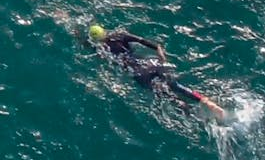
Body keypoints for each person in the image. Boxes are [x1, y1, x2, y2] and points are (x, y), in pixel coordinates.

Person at [86, 24, 228, 120]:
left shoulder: (100, 48)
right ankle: (205, 101)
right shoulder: (121, 35)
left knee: (168, 96)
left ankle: (195, 115)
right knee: (176, 85)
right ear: (104, 31)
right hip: (152, 63)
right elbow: (151, 44)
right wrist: (161, 55)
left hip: (140, 73)